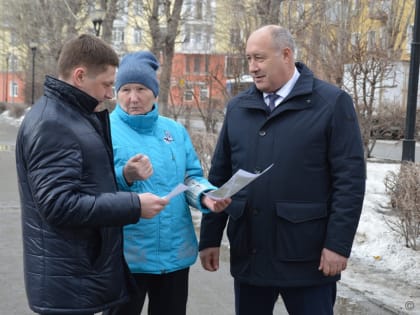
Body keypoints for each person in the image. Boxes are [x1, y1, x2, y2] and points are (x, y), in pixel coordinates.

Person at [199, 25, 366, 315]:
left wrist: (338, 245)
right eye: (249, 59)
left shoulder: (331, 103)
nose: (252, 68)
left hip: (306, 257)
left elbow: (349, 181)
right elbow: (220, 176)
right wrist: (210, 239)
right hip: (250, 253)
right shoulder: (238, 107)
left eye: (259, 58)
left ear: (286, 55)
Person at [15, 34, 168, 315]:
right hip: (67, 280)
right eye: (107, 84)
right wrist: (134, 205)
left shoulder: (71, 115)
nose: (111, 93)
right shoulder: (53, 123)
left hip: (74, 274)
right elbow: (58, 205)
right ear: (80, 75)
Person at [103, 51, 231, 315]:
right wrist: (125, 175)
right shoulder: (103, 130)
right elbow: (93, 189)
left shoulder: (174, 130)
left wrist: (205, 196)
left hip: (174, 254)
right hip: (127, 257)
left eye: (141, 88)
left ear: (155, 92)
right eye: (125, 89)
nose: (133, 97)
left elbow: (190, 177)